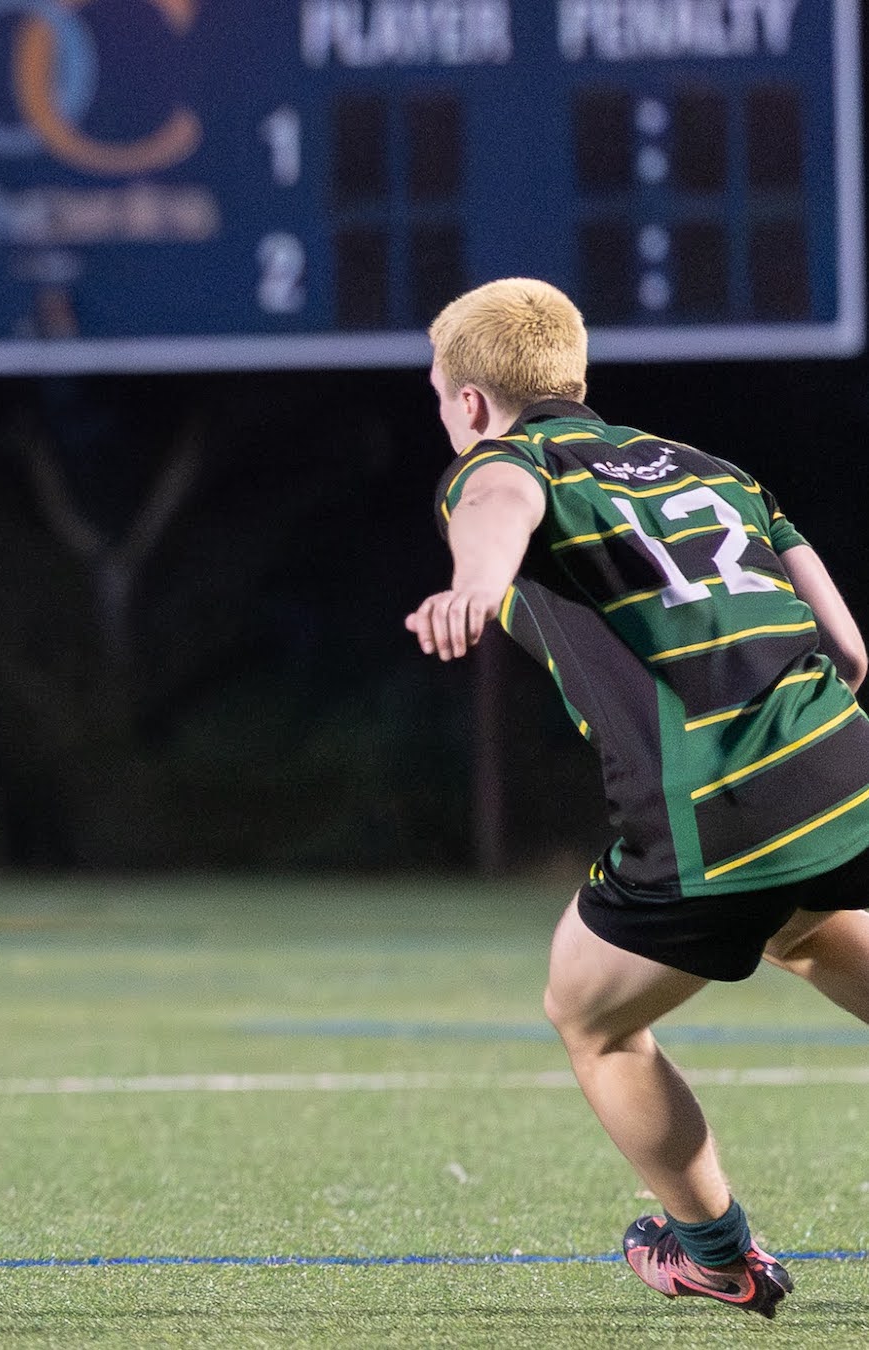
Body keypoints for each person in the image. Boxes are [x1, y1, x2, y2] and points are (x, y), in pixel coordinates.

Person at [410, 277, 869, 1319]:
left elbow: (497, 503)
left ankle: (715, 1257)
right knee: (803, 929)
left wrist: (476, 582)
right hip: (847, 764)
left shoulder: (500, 462)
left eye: (442, 399)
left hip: (713, 813)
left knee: (588, 1018)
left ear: (471, 403)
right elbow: (846, 648)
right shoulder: (712, 468)